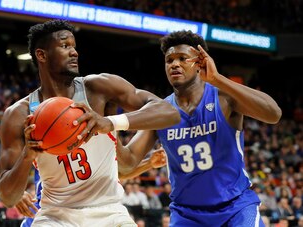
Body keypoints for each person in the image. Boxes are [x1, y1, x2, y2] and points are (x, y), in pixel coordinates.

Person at [0, 19, 180, 227]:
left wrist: (109, 122)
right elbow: (8, 197)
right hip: (56, 216)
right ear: (42, 55)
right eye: (65, 46)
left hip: (109, 211)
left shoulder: (98, 88)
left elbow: (169, 112)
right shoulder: (19, 115)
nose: (74, 52)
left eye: (74, 47)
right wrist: (27, 156)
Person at [115, 30, 282, 226]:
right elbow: (126, 164)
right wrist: (110, 127)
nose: (175, 64)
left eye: (183, 58)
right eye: (169, 60)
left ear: (198, 63)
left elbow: (273, 114)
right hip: (187, 214)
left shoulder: (224, 98)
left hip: (235, 207)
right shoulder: (161, 111)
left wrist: (217, 78)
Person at [16, 148, 167, 226]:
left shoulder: (92, 139)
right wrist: (16, 193)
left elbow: (113, 175)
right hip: (48, 215)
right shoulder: (41, 137)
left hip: (90, 215)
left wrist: (148, 163)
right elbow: (7, 173)